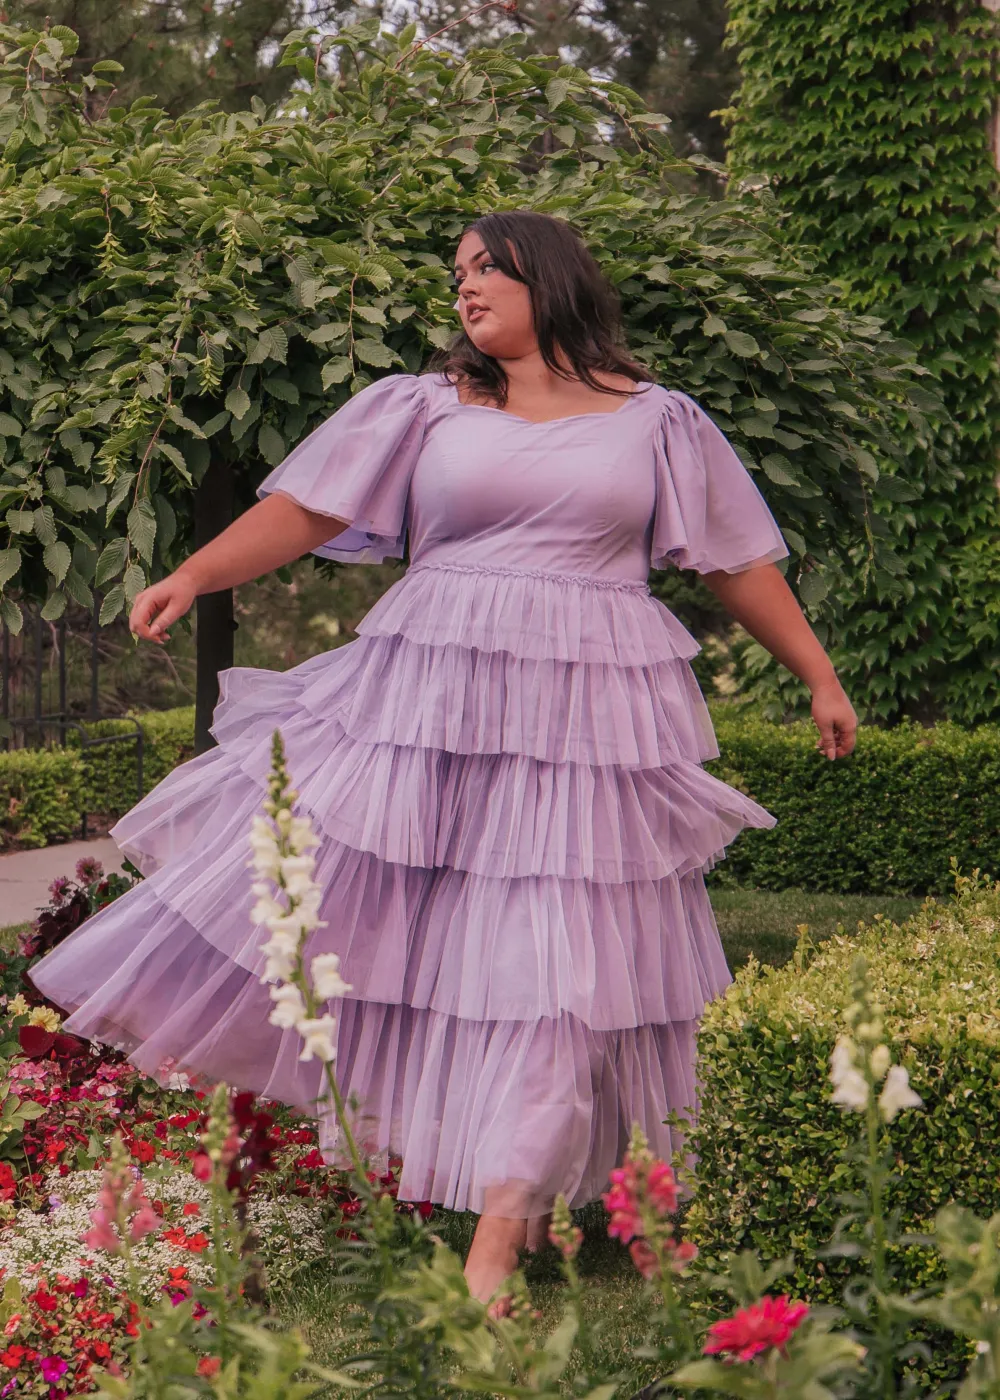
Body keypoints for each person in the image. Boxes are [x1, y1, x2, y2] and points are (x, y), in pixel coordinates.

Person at [29, 210, 857, 1307]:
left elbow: (733, 560)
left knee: (566, 973)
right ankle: (450, 1167)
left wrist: (817, 672)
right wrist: (194, 574)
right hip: (427, 706)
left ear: (547, 279)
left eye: (486, 270)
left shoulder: (659, 421)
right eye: (457, 272)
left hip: (587, 718)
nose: (465, 289)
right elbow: (307, 511)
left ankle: (498, 1237)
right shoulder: (423, 406)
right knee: (399, 940)